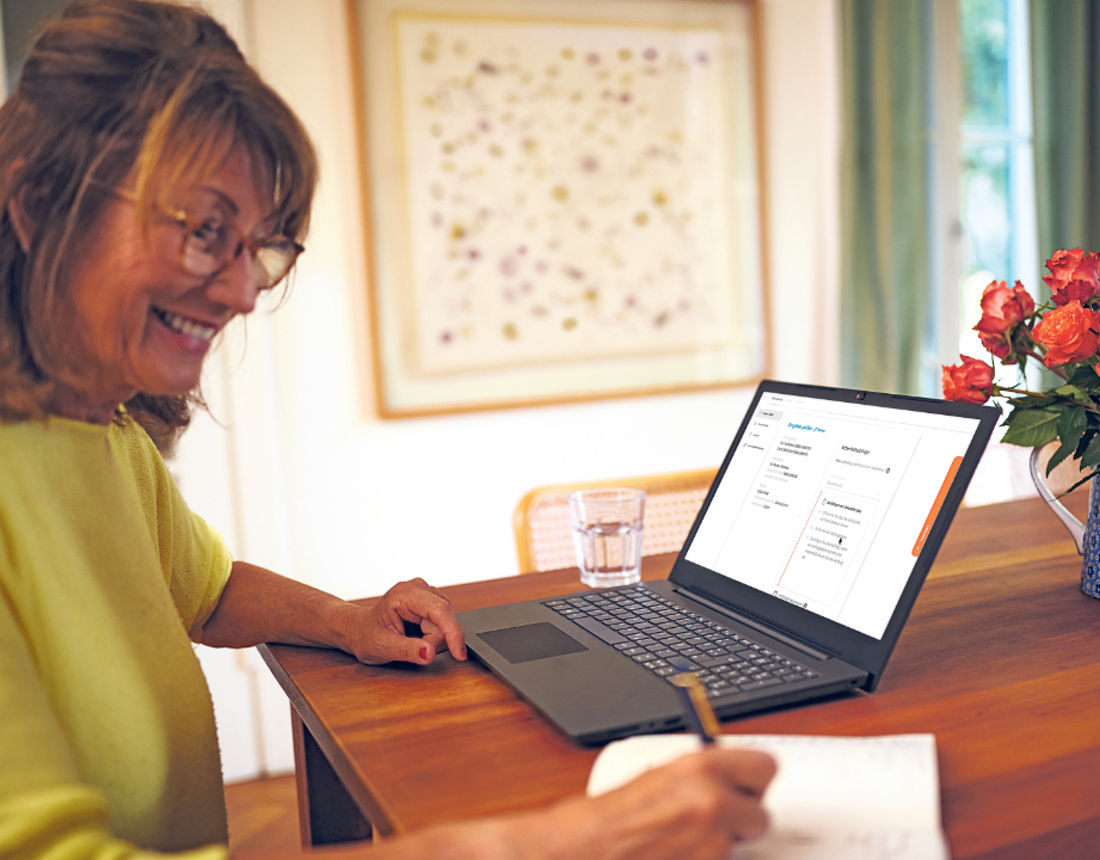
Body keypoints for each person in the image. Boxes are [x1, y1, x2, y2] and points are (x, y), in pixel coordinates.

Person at [0, 1, 776, 857]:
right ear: (40, 205)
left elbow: (205, 591)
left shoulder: (103, 432)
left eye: (257, 247)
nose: (244, 291)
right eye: (205, 232)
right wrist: (573, 840)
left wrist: (344, 619)